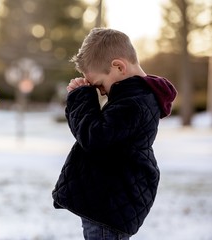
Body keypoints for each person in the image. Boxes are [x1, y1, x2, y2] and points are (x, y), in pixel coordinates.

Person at [52, 28, 177, 240]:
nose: (99, 91)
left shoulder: (134, 103)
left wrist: (81, 98)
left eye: (99, 84)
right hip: (108, 201)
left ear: (119, 67)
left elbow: (93, 137)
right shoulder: (133, 96)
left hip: (110, 205)